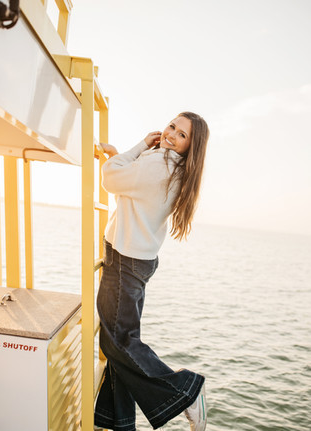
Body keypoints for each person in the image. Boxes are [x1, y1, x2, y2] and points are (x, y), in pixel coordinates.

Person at [94, 112, 210, 431]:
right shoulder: (175, 169)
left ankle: (186, 391)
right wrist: (134, 152)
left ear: (191, 146)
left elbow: (110, 178)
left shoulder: (157, 164)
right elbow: (130, 183)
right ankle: (115, 421)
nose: (171, 134)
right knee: (121, 343)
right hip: (139, 261)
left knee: (118, 343)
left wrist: (136, 147)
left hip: (124, 260)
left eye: (182, 134)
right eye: (172, 126)